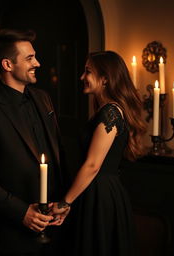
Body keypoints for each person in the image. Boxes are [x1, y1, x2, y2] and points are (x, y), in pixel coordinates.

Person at [0, 29, 64, 256]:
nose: (38, 63)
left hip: (57, 224)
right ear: (8, 65)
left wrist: (64, 202)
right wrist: (22, 212)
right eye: (29, 58)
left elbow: (58, 152)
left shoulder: (43, 98)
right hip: (14, 234)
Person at [51, 51, 147, 256]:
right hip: (98, 191)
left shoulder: (110, 112)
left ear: (105, 78)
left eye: (88, 72)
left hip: (100, 194)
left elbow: (93, 165)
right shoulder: (107, 110)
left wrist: (64, 202)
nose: (82, 77)